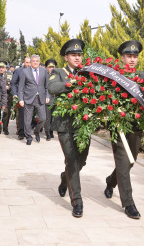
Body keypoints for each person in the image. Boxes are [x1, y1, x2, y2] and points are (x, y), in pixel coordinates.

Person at [104, 40, 144, 219]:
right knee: (122, 161)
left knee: (130, 160)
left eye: (135, 56)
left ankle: (111, 181)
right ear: (122, 58)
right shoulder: (113, 76)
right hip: (118, 126)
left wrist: (133, 77)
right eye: (129, 56)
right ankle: (128, 203)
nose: (132, 59)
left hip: (135, 126)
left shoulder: (139, 76)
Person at [48, 39, 90, 217]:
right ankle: (77, 202)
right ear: (66, 57)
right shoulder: (58, 72)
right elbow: (52, 87)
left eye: (79, 55)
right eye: (73, 55)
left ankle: (64, 179)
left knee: (81, 161)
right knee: (72, 161)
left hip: (83, 125)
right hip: (65, 125)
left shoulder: (88, 72)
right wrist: (72, 83)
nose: (77, 58)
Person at [18, 55, 50, 145]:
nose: (35, 62)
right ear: (30, 62)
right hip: (28, 98)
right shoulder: (25, 71)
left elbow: (47, 85)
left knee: (43, 118)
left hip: (41, 98)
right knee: (27, 120)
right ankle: (28, 137)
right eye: (33, 61)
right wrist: (21, 99)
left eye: (37, 61)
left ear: (39, 62)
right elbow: (21, 87)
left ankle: (36, 131)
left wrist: (47, 96)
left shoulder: (44, 71)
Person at [11, 57, 31, 139]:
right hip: (21, 96)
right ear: (24, 62)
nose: (28, 64)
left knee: (30, 115)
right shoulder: (19, 71)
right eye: (27, 62)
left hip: (31, 96)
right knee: (21, 115)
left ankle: (28, 132)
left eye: (30, 62)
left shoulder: (34, 71)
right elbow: (13, 83)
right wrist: (15, 94)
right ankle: (21, 133)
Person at [44, 59, 57, 141]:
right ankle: (47, 133)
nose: (51, 68)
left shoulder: (57, 76)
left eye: (53, 67)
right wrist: (46, 96)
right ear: (46, 68)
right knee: (47, 117)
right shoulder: (45, 76)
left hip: (56, 99)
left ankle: (51, 131)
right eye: (49, 67)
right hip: (47, 99)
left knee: (54, 117)